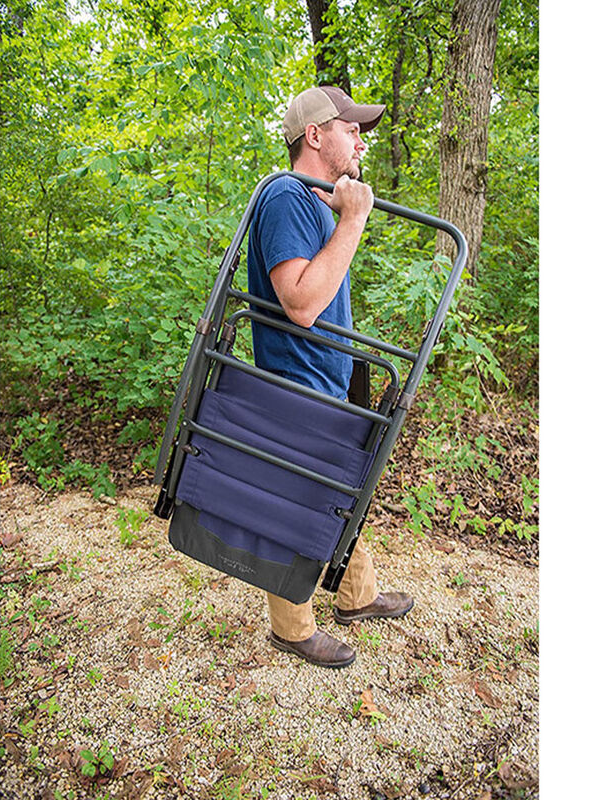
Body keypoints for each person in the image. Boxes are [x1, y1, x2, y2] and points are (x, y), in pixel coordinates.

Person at [247, 85, 414, 669]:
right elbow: (300, 302)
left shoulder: (316, 203)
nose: (360, 141)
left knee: (341, 488)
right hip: (297, 381)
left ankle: (356, 594)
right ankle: (290, 627)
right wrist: (356, 218)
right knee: (299, 498)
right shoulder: (287, 196)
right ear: (315, 135)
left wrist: (344, 216)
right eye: (351, 130)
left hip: (326, 376)